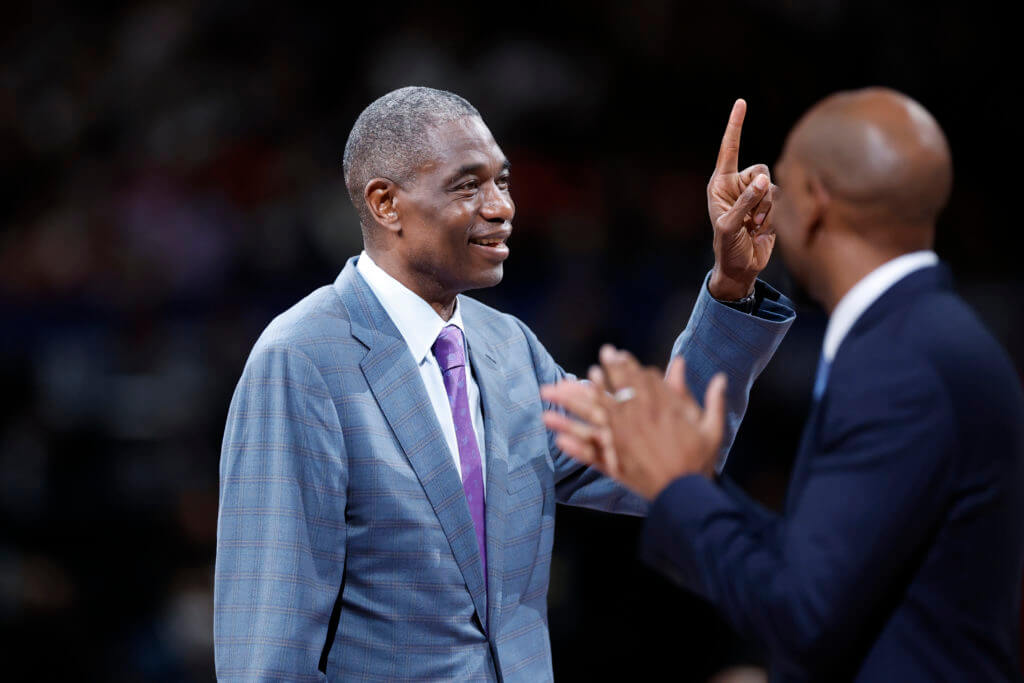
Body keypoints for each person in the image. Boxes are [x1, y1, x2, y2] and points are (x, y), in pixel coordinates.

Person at [213, 86, 795, 680]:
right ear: (386, 204)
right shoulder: (303, 360)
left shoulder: (508, 348)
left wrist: (730, 286)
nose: (502, 206)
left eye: (503, 181)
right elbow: (268, 646)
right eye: (469, 185)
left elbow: (664, 458)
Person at [541, 87, 1024, 681]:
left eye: (785, 184)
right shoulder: (934, 336)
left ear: (815, 203)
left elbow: (803, 616)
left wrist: (680, 485)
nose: (769, 198)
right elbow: (836, 572)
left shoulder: (902, 365)